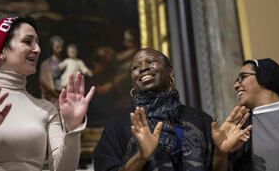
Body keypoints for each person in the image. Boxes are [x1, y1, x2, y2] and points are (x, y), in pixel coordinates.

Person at [0, 16, 95, 171]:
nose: (37, 49)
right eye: (28, 41)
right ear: (2, 50)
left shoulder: (47, 109)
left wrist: (72, 128)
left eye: (37, 42)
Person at [93, 48, 251, 171]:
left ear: (170, 71)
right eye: (135, 67)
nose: (143, 68)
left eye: (151, 61)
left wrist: (220, 152)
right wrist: (141, 156)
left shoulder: (200, 120)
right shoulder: (117, 126)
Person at [39, 35, 64, 104]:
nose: (60, 50)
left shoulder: (64, 62)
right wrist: (53, 90)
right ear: (52, 47)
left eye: (61, 47)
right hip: (51, 97)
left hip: (63, 95)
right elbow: (43, 80)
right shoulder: (46, 64)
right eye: (57, 47)